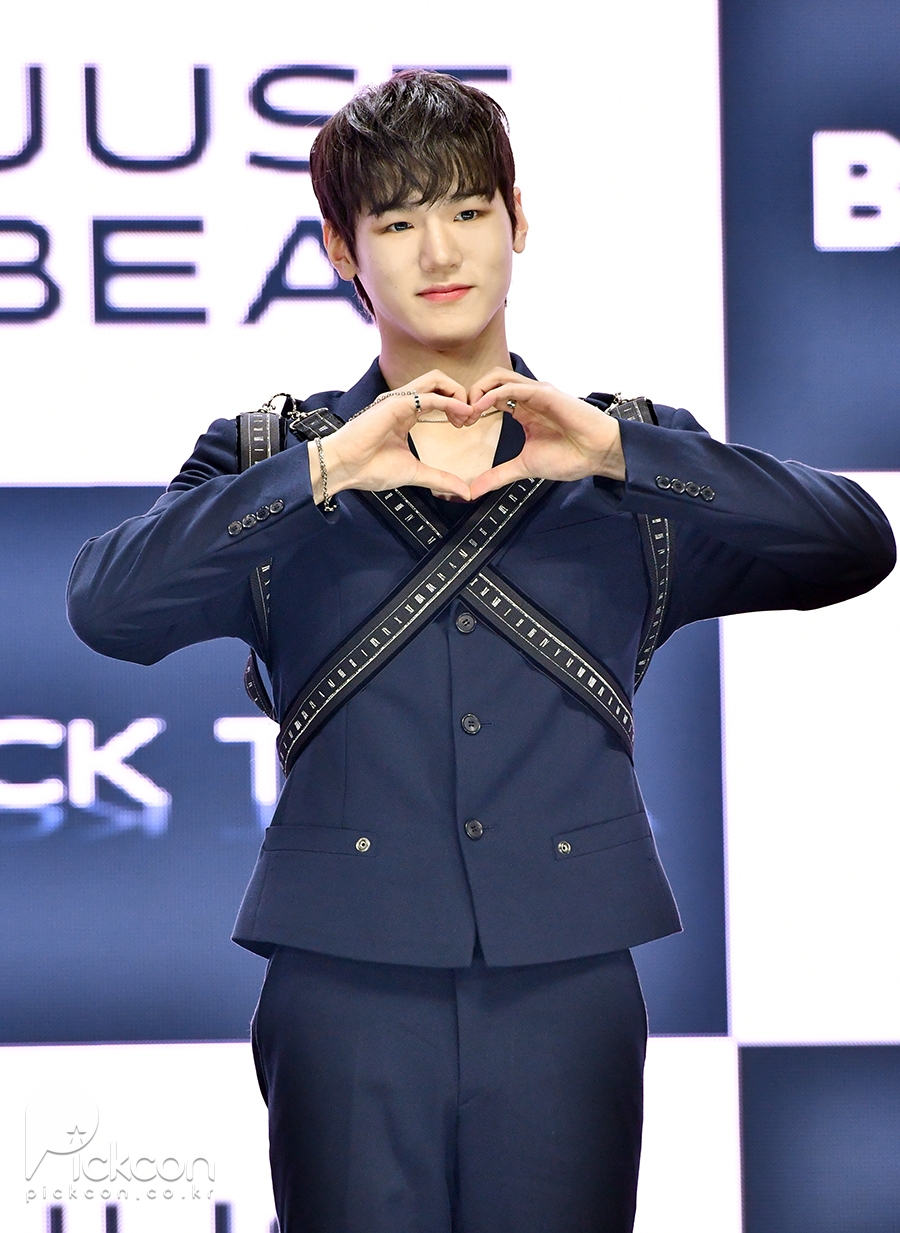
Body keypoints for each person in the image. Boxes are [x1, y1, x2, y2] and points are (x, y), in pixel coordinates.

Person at [67, 70, 895, 1233]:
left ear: (518, 219)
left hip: (569, 981)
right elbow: (107, 607)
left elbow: (854, 544)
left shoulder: (626, 456)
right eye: (398, 221)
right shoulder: (269, 455)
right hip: (343, 979)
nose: (440, 250)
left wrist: (620, 453)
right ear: (343, 252)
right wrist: (324, 472)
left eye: (467, 209)